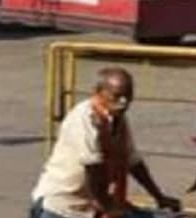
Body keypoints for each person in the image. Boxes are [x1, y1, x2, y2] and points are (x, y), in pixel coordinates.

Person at [31, 67, 180, 218]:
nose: (124, 102)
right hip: (62, 207)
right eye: (117, 96)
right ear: (98, 92)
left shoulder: (117, 118)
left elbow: (133, 161)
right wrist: (108, 208)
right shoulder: (84, 118)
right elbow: (93, 168)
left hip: (91, 204)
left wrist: (159, 197)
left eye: (128, 96)